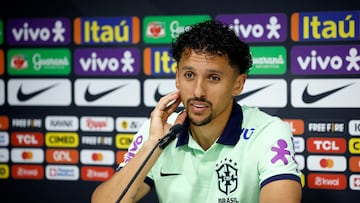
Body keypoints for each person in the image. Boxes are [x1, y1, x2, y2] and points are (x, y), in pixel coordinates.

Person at [91, 19, 302, 203]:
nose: (198, 91)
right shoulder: (159, 131)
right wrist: (153, 146)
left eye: (213, 78)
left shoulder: (268, 132)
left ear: (238, 84)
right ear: (177, 77)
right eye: (189, 75)